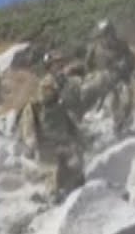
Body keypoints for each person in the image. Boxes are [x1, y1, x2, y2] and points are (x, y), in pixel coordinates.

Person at [18, 75, 86, 203]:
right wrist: (31, 142)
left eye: (53, 90)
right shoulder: (34, 107)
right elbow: (28, 126)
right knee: (53, 169)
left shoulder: (60, 107)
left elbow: (71, 126)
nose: (51, 92)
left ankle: (77, 190)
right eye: (48, 89)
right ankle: (52, 194)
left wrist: (79, 141)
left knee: (74, 166)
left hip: (63, 145)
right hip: (45, 147)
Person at [83, 19, 135, 136]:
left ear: (112, 32)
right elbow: (87, 65)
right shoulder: (94, 48)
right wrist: (93, 76)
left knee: (128, 97)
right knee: (114, 101)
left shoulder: (121, 44)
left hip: (122, 76)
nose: (106, 37)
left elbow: (132, 57)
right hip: (106, 79)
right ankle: (118, 126)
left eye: (108, 34)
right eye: (103, 35)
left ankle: (127, 122)